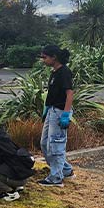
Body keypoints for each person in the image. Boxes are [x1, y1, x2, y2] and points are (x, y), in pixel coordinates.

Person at [39, 44, 75, 187]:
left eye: (45, 57)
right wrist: (46, 109)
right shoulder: (54, 72)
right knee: (44, 143)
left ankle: (56, 178)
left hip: (60, 111)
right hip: (52, 110)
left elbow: (69, 94)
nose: (43, 60)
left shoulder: (64, 72)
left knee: (56, 145)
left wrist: (66, 114)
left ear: (54, 57)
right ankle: (66, 170)